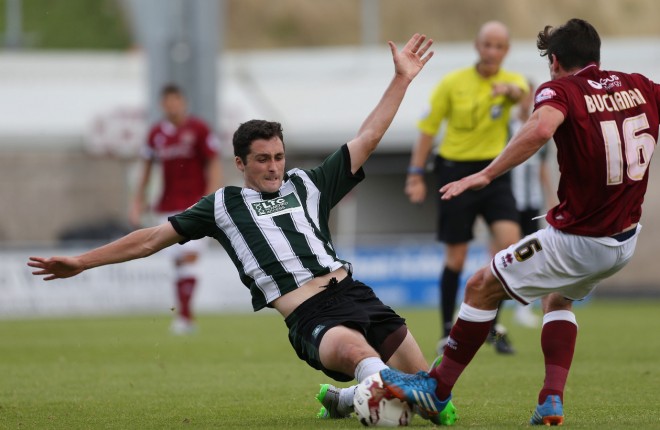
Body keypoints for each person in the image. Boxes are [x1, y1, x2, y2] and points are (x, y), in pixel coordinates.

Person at [28, 34, 456, 425]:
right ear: (240, 163)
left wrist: (401, 79)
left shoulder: (309, 183)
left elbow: (369, 136)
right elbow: (151, 239)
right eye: (262, 159)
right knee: (359, 356)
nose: (273, 167)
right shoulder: (222, 205)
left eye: (278, 156)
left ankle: (345, 400)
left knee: (438, 404)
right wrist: (82, 262)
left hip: (356, 293)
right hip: (310, 315)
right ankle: (375, 387)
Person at [378, 18, 660, 425]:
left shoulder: (561, 89)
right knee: (558, 299)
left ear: (555, 61)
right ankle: (550, 399)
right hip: (624, 240)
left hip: (579, 239)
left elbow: (542, 127)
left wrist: (486, 174)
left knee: (479, 287)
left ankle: (437, 390)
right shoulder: (639, 84)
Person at [405, 21, 528, 354]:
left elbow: (525, 108)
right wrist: (416, 174)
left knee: (509, 248)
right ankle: (447, 329)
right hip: (454, 171)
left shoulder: (513, 82)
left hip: (494, 172)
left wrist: (513, 93)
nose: (491, 51)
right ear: (477, 45)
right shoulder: (452, 83)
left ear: (506, 50)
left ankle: (492, 325)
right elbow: (428, 130)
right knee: (456, 256)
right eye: (487, 44)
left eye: (498, 46)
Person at [129, 84, 222, 334]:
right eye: (168, 102)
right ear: (162, 105)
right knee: (179, 263)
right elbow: (146, 168)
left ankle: (185, 317)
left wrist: (212, 197)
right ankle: (184, 315)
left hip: (196, 204)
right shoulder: (156, 134)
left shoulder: (199, 129)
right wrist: (138, 200)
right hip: (167, 205)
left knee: (189, 257)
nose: (172, 106)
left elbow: (213, 163)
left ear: (184, 102)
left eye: (176, 101)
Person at [508, 79, 555, 328]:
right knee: (505, 252)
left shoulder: (541, 124)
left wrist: (550, 196)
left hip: (532, 199)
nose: (527, 100)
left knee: (531, 254)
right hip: (509, 199)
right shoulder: (507, 125)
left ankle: (523, 308)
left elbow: (542, 166)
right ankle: (484, 311)